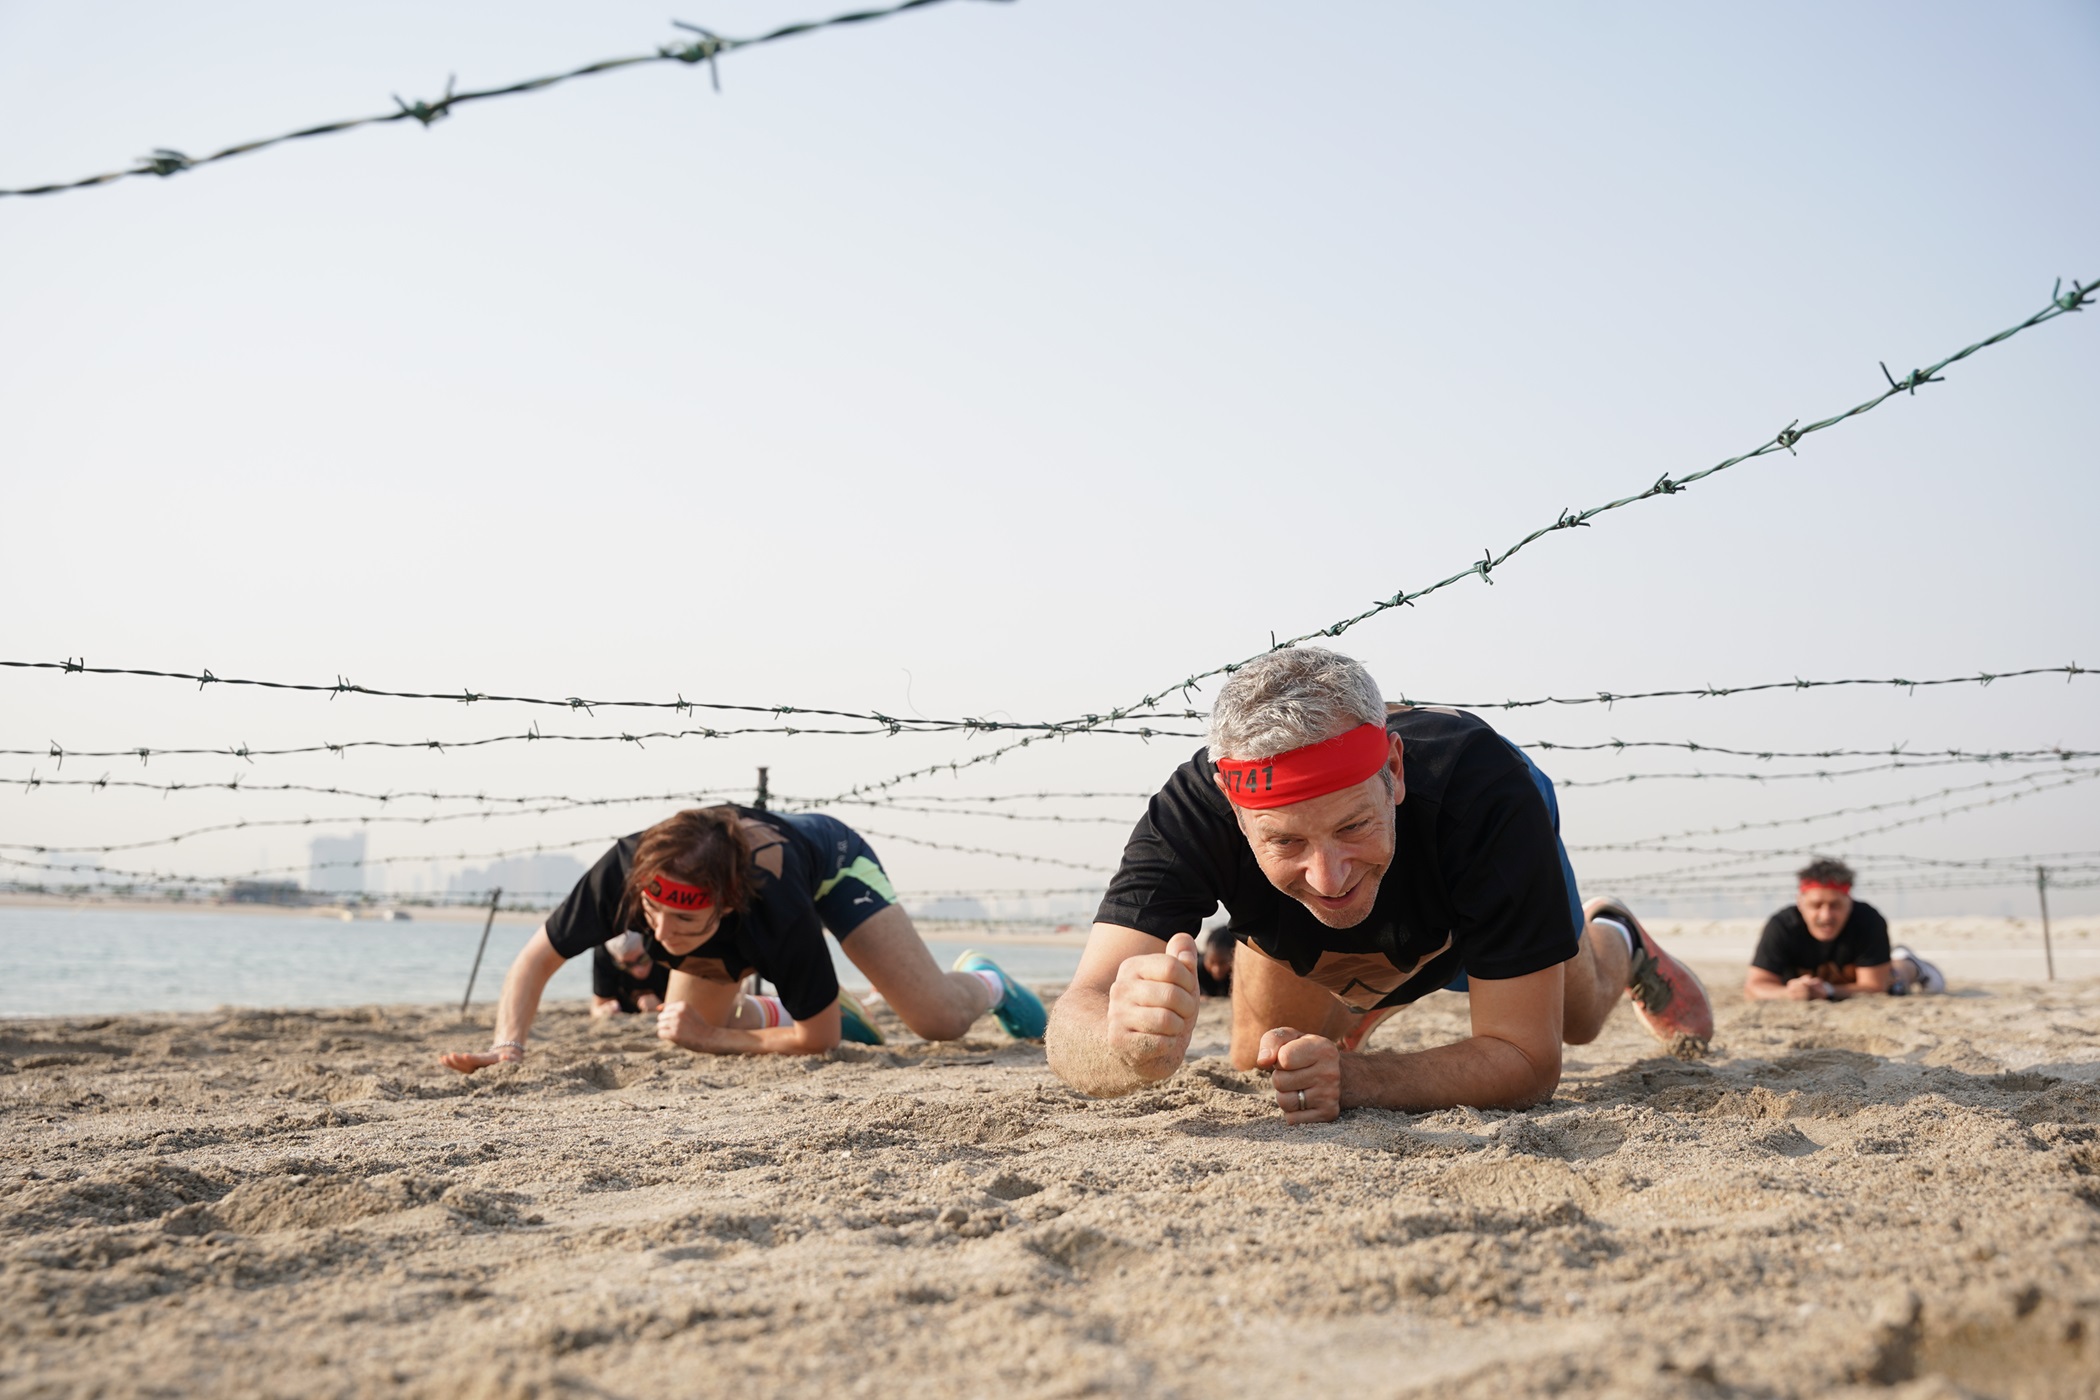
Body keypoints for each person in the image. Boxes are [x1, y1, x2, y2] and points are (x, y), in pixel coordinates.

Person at [1044, 647, 1715, 1124]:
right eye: (1285, 841)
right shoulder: (1193, 811)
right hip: (1308, 935)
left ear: (1394, 771)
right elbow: (1076, 1011)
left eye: (1353, 824)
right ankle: (1370, 993)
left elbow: (1529, 1062)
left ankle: (1614, 936)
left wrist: (1359, 1080)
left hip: (1464, 881)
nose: (1327, 874)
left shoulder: (1485, 793)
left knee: (1578, 1019)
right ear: (1234, 808)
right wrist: (1124, 1041)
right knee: (1260, 1064)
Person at [440, 806, 1045, 1071]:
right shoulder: (625, 870)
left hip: (831, 863)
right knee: (684, 1023)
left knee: (935, 1020)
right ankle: (807, 999)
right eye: (652, 915)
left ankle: (989, 981)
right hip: (734, 899)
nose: (663, 936)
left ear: (726, 903)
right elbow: (533, 962)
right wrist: (508, 1047)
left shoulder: (773, 905)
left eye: (685, 922)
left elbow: (820, 1042)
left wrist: (715, 1039)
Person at [1744, 858, 1944, 1000]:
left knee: (1895, 985)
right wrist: (1788, 993)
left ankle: (1911, 965)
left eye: (1835, 905)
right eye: (1816, 905)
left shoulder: (1868, 920)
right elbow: (1754, 986)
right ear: (1800, 903)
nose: (1825, 916)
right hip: (1817, 985)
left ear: (1849, 902)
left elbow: (1874, 987)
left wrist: (1828, 991)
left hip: (1856, 980)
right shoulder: (1782, 926)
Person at [589, 932, 672, 1017]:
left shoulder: (667, 949)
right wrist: (606, 1010)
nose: (639, 970)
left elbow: (682, 1004)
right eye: (627, 965)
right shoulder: (604, 955)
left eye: (643, 959)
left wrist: (660, 1006)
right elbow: (598, 1006)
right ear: (615, 959)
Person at [1197, 924, 1235, 997]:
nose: (1216, 969)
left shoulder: (1239, 973)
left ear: (1233, 957)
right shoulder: (1197, 969)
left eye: (1222, 963)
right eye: (1211, 962)